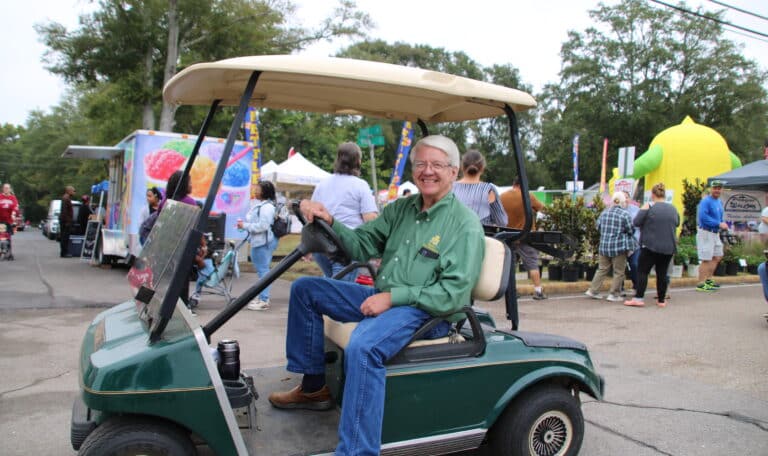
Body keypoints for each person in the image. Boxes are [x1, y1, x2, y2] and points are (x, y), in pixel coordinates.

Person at [267, 135, 485, 456]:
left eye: (437, 165)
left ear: (453, 172)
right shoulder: (401, 210)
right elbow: (360, 244)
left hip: (428, 312)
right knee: (305, 290)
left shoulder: (464, 225)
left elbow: (451, 295)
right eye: (421, 164)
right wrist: (330, 221)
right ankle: (313, 388)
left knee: (364, 346)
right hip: (386, 296)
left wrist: (393, 298)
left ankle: (358, 451)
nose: (427, 171)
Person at [311, 142, 378, 281]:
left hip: (321, 244)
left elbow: (312, 214)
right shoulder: (360, 185)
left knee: (330, 283)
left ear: (338, 159)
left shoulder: (322, 184)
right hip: (345, 246)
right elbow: (370, 219)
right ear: (358, 161)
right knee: (340, 290)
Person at [624, 183, 680, 308]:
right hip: (668, 246)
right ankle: (661, 300)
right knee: (662, 273)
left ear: (652, 195)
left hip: (650, 245)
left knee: (643, 271)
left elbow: (636, 222)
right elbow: (677, 222)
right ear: (664, 195)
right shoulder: (673, 208)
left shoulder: (648, 206)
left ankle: (639, 298)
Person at [500, 176, 547, 300]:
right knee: (532, 264)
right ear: (523, 185)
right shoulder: (528, 196)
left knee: (510, 265)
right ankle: (538, 291)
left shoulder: (502, 197)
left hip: (508, 236)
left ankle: (511, 291)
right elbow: (543, 208)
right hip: (526, 236)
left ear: (514, 184)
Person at [585, 192, 637, 302]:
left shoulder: (604, 213)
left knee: (602, 269)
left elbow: (598, 227)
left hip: (604, 246)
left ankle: (593, 290)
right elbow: (631, 230)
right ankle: (613, 294)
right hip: (618, 247)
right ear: (622, 202)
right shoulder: (625, 214)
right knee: (619, 271)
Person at [238, 180, 279, 310]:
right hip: (260, 241)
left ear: (265, 192)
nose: (255, 191)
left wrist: (245, 226)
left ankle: (264, 300)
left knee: (263, 271)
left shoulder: (266, 207)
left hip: (263, 242)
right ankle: (263, 297)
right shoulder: (263, 205)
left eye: (258, 189)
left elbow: (263, 226)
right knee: (263, 270)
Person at [452, 149, 508, 226]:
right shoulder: (488, 190)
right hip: (481, 233)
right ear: (482, 168)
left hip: (454, 232)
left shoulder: (449, 188)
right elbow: (501, 221)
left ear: (462, 167)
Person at [696, 180, 729, 292]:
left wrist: (722, 223)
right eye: (715, 188)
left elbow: (719, 217)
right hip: (706, 232)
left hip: (715, 233)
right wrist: (718, 224)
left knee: (717, 256)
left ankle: (708, 280)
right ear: (711, 189)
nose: (717, 190)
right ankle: (701, 283)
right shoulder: (706, 201)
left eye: (719, 188)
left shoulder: (718, 202)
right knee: (706, 258)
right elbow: (703, 217)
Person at [623, 191, 640, 295]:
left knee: (635, 264)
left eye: (627, 197)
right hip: (621, 244)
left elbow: (640, 226)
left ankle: (637, 286)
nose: (625, 199)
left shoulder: (636, 210)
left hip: (635, 243)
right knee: (620, 267)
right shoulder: (615, 210)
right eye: (623, 197)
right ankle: (620, 288)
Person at [0, 183, 18, 260]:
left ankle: (9, 253)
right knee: (1, 236)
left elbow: (15, 206)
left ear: (10, 189)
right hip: (1, 220)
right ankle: (2, 251)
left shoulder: (13, 198)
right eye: (5, 188)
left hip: (9, 221)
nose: (6, 189)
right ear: (3, 189)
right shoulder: (0, 197)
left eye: (8, 188)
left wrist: (13, 213)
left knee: (8, 237)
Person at [59, 185, 76, 258]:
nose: (74, 192)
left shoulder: (66, 198)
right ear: (69, 191)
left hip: (65, 221)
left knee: (64, 237)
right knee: (65, 237)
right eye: (73, 191)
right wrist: (67, 221)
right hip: (65, 221)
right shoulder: (66, 199)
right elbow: (64, 211)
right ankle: (64, 253)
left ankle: (64, 252)